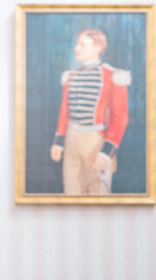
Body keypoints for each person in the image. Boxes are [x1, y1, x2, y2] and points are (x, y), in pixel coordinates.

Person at [50, 29, 131, 195]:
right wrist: (59, 141)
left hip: (96, 142)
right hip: (72, 141)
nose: (76, 48)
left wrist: (106, 153)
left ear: (97, 47)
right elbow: (65, 110)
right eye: (77, 43)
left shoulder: (112, 75)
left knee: (98, 193)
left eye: (82, 44)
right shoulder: (71, 76)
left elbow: (120, 117)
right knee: (71, 193)